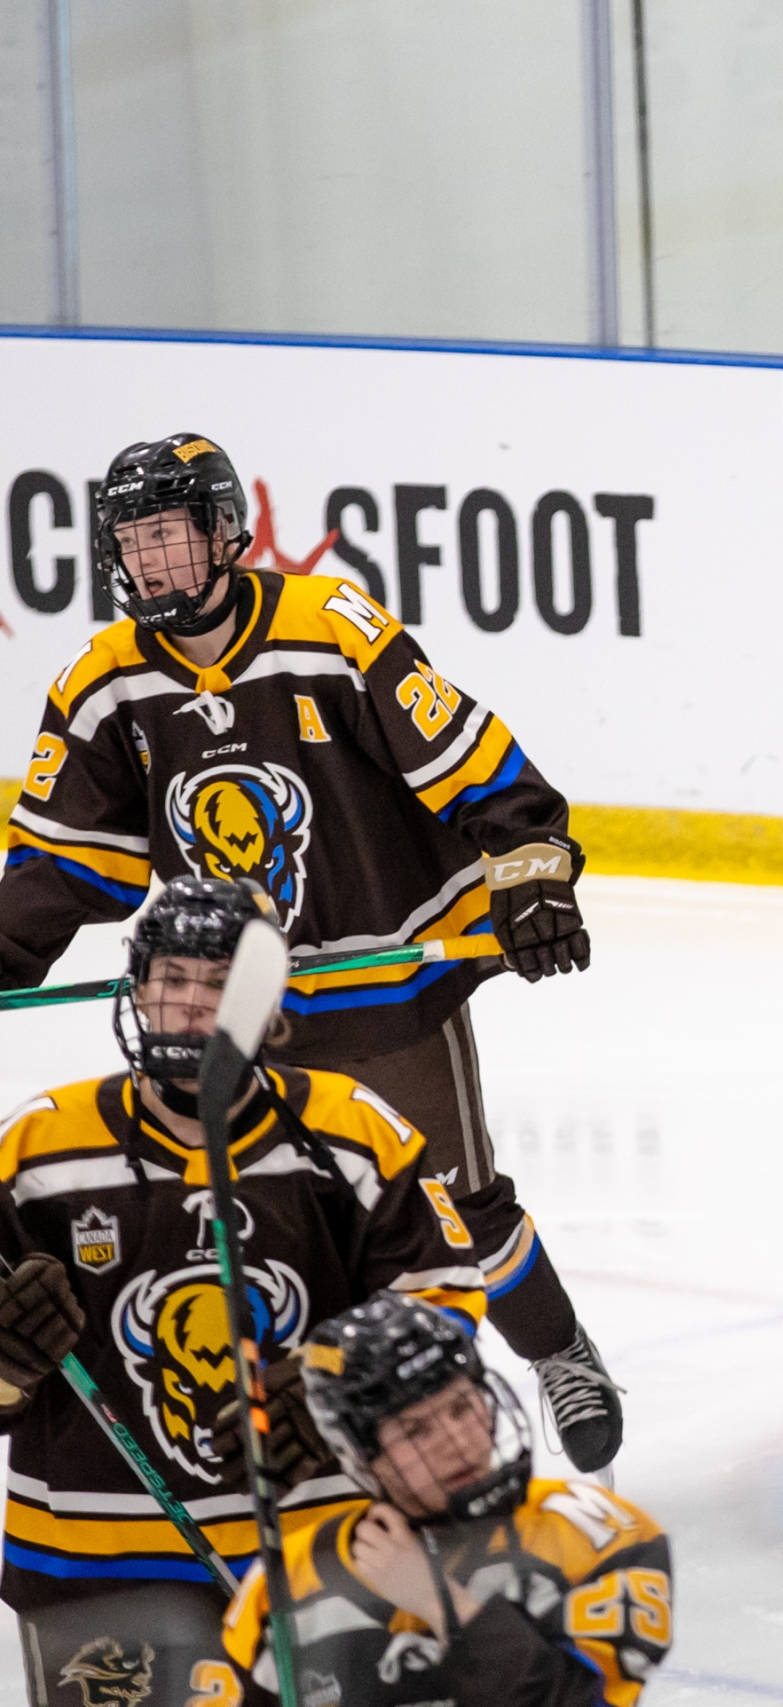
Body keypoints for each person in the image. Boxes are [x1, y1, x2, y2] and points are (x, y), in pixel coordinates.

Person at [0, 433, 622, 1471]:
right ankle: (334, 1437)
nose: (151, 561)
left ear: (224, 532)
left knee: (449, 1201)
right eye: (133, 541)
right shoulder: (102, 686)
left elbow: (461, 752)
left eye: (169, 534)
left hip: (385, 971)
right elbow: (68, 862)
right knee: (280, 1221)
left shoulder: (329, 626)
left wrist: (532, 866)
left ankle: (559, 1351)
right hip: (225, 1001)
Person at [0, 877, 488, 1704]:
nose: (191, 1005)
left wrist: (342, 1389)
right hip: (96, 1573)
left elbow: (444, 1306)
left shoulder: (354, 1133)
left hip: (321, 1554)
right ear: (138, 990)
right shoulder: (40, 1148)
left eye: (220, 984)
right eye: (172, 978)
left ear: (268, 1004)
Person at [217, 1292, 671, 1705]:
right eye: (415, 1430)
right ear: (358, 1455)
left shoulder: (594, 1537)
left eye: (460, 1407)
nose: (457, 1441)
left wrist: (441, 1603)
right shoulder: (285, 1586)